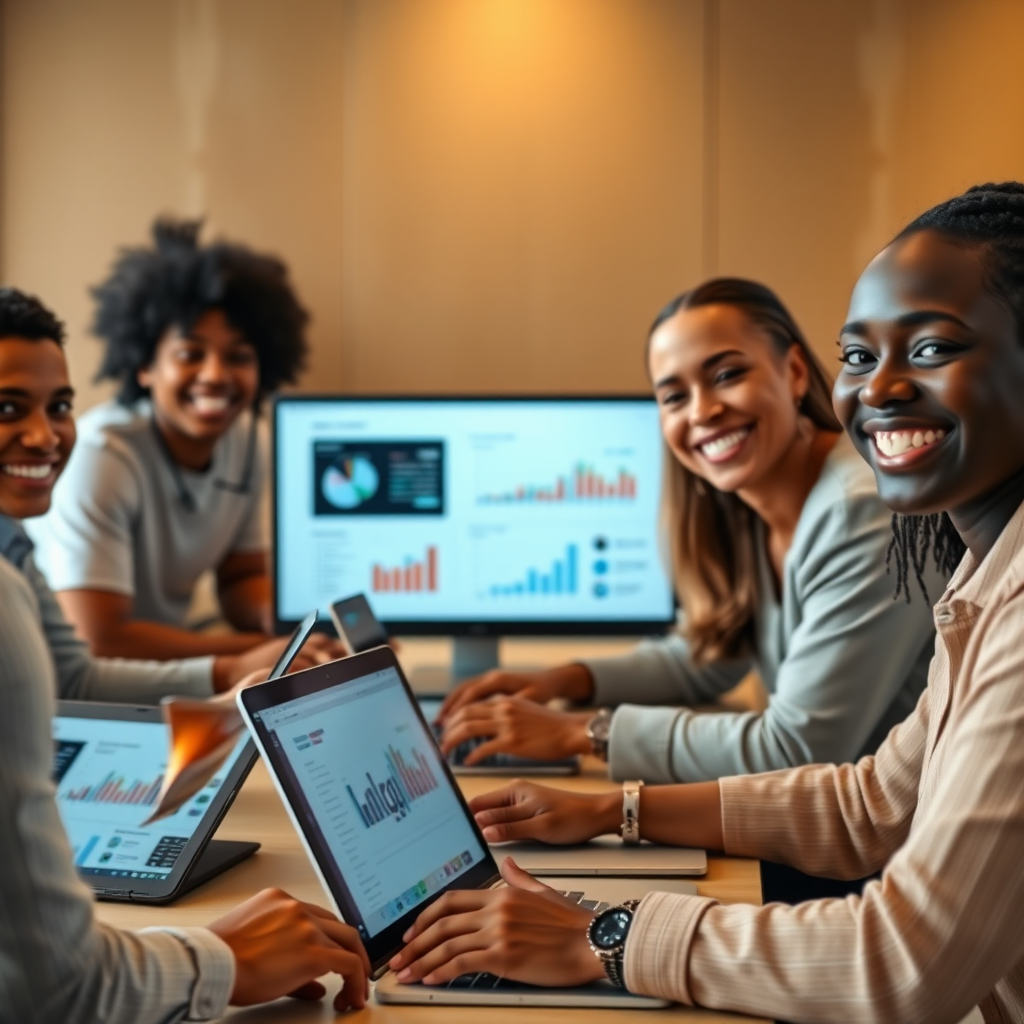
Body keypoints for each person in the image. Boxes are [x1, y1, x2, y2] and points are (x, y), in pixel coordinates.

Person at [387, 182, 1024, 1023]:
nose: (879, 389)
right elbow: (871, 803)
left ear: (791, 373)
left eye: (934, 347)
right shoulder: (983, 572)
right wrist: (612, 811)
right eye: (859, 356)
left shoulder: (892, 529)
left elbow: (903, 964)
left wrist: (603, 936)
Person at [0, 287, 371, 1022]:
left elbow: (71, 676)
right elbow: (56, 988)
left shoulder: (13, 544)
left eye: (59, 405)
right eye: (9, 408)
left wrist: (235, 679)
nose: (44, 437)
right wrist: (219, 958)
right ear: (145, 365)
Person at [438, 279, 944, 785]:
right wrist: (563, 681)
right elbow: (709, 657)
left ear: (793, 372)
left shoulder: (863, 510)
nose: (702, 411)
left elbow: (796, 747)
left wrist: (584, 732)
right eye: (675, 396)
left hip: (899, 825)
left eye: (727, 375)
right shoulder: (752, 503)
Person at [27, 218, 326, 664]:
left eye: (239, 356)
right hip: (80, 681)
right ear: (144, 366)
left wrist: (297, 626)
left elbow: (240, 577)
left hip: (167, 666)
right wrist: (264, 652)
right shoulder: (101, 457)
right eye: (190, 354)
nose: (216, 375)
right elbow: (99, 640)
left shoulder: (251, 440)